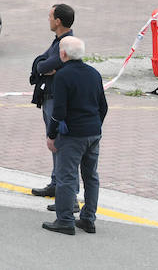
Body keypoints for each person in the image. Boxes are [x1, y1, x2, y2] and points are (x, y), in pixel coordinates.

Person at [44, 36, 107, 235]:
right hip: (93, 132)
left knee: (67, 177)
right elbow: (103, 106)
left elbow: (59, 111)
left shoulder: (63, 76)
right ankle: (88, 218)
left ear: (62, 54)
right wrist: (96, 126)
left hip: (73, 134)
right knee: (91, 176)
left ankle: (65, 220)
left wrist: (51, 134)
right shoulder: (94, 74)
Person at [31, 3, 76, 201]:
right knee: (55, 144)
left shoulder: (65, 43)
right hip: (49, 95)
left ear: (58, 21)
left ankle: (65, 192)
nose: (48, 20)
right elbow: (42, 62)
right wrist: (43, 65)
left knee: (59, 143)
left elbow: (46, 64)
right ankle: (56, 183)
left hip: (55, 98)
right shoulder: (58, 41)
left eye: (50, 17)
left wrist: (43, 65)